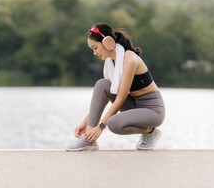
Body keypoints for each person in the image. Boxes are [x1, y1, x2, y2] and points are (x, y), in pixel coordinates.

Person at [66, 23, 165, 151]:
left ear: (107, 42)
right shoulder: (111, 62)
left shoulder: (129, 59)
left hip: (153, 111)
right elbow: (103, 99)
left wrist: (100, 128)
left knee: (113, 123)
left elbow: (120, 99)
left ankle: (151, 132)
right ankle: (87, 139)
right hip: (134, 106)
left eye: (95, 47)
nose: (95, 53)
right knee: (102, 84)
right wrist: (86, 123)